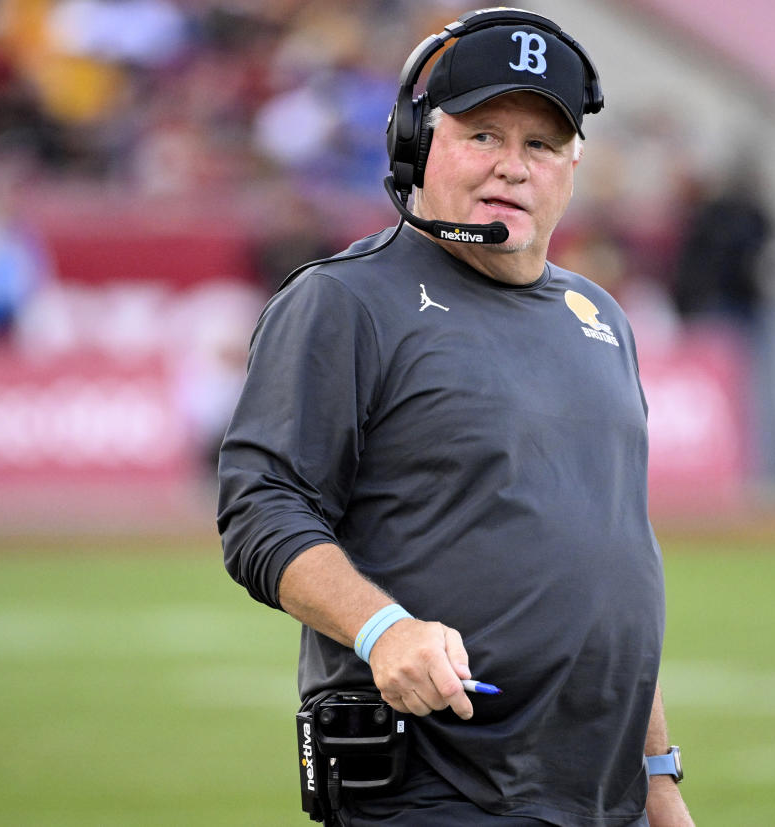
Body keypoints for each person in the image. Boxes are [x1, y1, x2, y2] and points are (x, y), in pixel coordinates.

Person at [218, 9, 693, 826]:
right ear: (416, 143)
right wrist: (382, 629)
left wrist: (656, 777)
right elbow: (260, 509)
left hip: (598, 795)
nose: (513, 166)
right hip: (438, 788)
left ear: (571, 167)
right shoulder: (345, 300)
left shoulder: (599, 316)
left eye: (539, 145)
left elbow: (614, 559)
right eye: (483, 136)